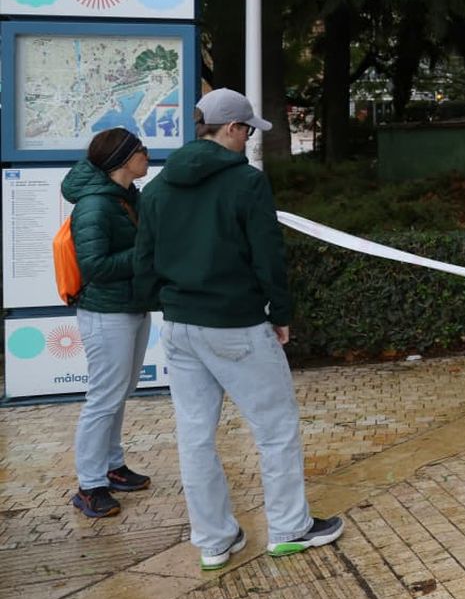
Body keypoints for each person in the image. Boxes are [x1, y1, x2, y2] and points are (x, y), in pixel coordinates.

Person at [133, 88, 342, 571]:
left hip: (181, 326)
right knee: (275, 428)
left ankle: (213, 540)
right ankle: (290, 528)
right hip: (235, 325)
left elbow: (145, 260)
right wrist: (281, 313)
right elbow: (268, 255)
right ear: (230, 129)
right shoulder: (246, 183)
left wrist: (159, 303)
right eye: (248, 129)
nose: (250, 138)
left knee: (195, 436)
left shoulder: (159, 187)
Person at [66, 128, 154, 519]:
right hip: (106, 312)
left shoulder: (126, 197)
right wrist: (146, 252)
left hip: (130, 306)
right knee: (104, 397)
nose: (147, 155)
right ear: (122, 161)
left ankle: (113, 466)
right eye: (141, 151)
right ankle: (89, 485)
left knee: (120, 390)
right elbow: (95, 268)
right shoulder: (96, 206)